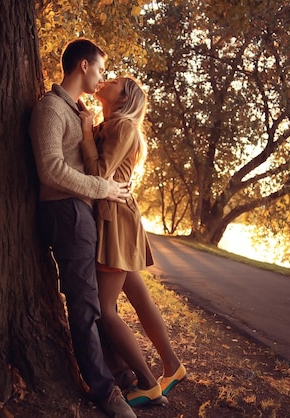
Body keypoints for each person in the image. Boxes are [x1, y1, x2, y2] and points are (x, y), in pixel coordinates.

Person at [29, 38, 136, 418]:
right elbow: (50, 169)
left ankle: (122, 374)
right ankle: (105, 390)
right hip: (65, 212)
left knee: (95, 299)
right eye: (101, 69)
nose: (103, 77)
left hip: (82, 212)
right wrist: (102, 187)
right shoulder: (50, 109)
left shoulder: (75, 111)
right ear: (84, 66)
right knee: (85, 302)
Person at [80, 76, 187, 407]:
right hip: (119, 218)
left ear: (125, 97)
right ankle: (172, 365)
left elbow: (100, 174)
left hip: (115, 221)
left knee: (103, 309)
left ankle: (147, 382)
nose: (106, 80)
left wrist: (85, 132)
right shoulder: (110, 124)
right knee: (139, 298)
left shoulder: (122, 127)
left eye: (114, 81)